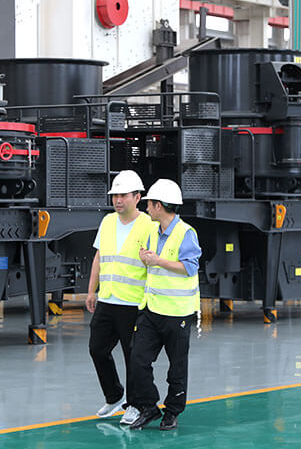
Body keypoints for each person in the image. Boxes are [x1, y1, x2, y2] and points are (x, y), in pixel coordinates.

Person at [128, 179, 202, 431]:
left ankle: (172, 412)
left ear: (159, 205)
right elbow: (154, 263)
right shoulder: (152, 231)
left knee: (177, 366)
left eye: (149, 203)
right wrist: (146, 259)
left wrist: (158, 260)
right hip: (151, 309)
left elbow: (190, 267)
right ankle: (148, 406)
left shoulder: (186, 233)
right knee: (138, 359)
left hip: (177, 312)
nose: (147, 208)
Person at [87, 170, 156, 422]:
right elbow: (99, 256)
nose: (117, 200)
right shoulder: (107, 222)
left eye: (123, 195)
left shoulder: (149, 226)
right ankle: (114, 395)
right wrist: (91, 290)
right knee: (97, 349)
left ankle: (135, 404)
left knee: (133, 357)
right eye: (115, 195)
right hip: (107, 299)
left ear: (137, 197)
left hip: (133, 303)